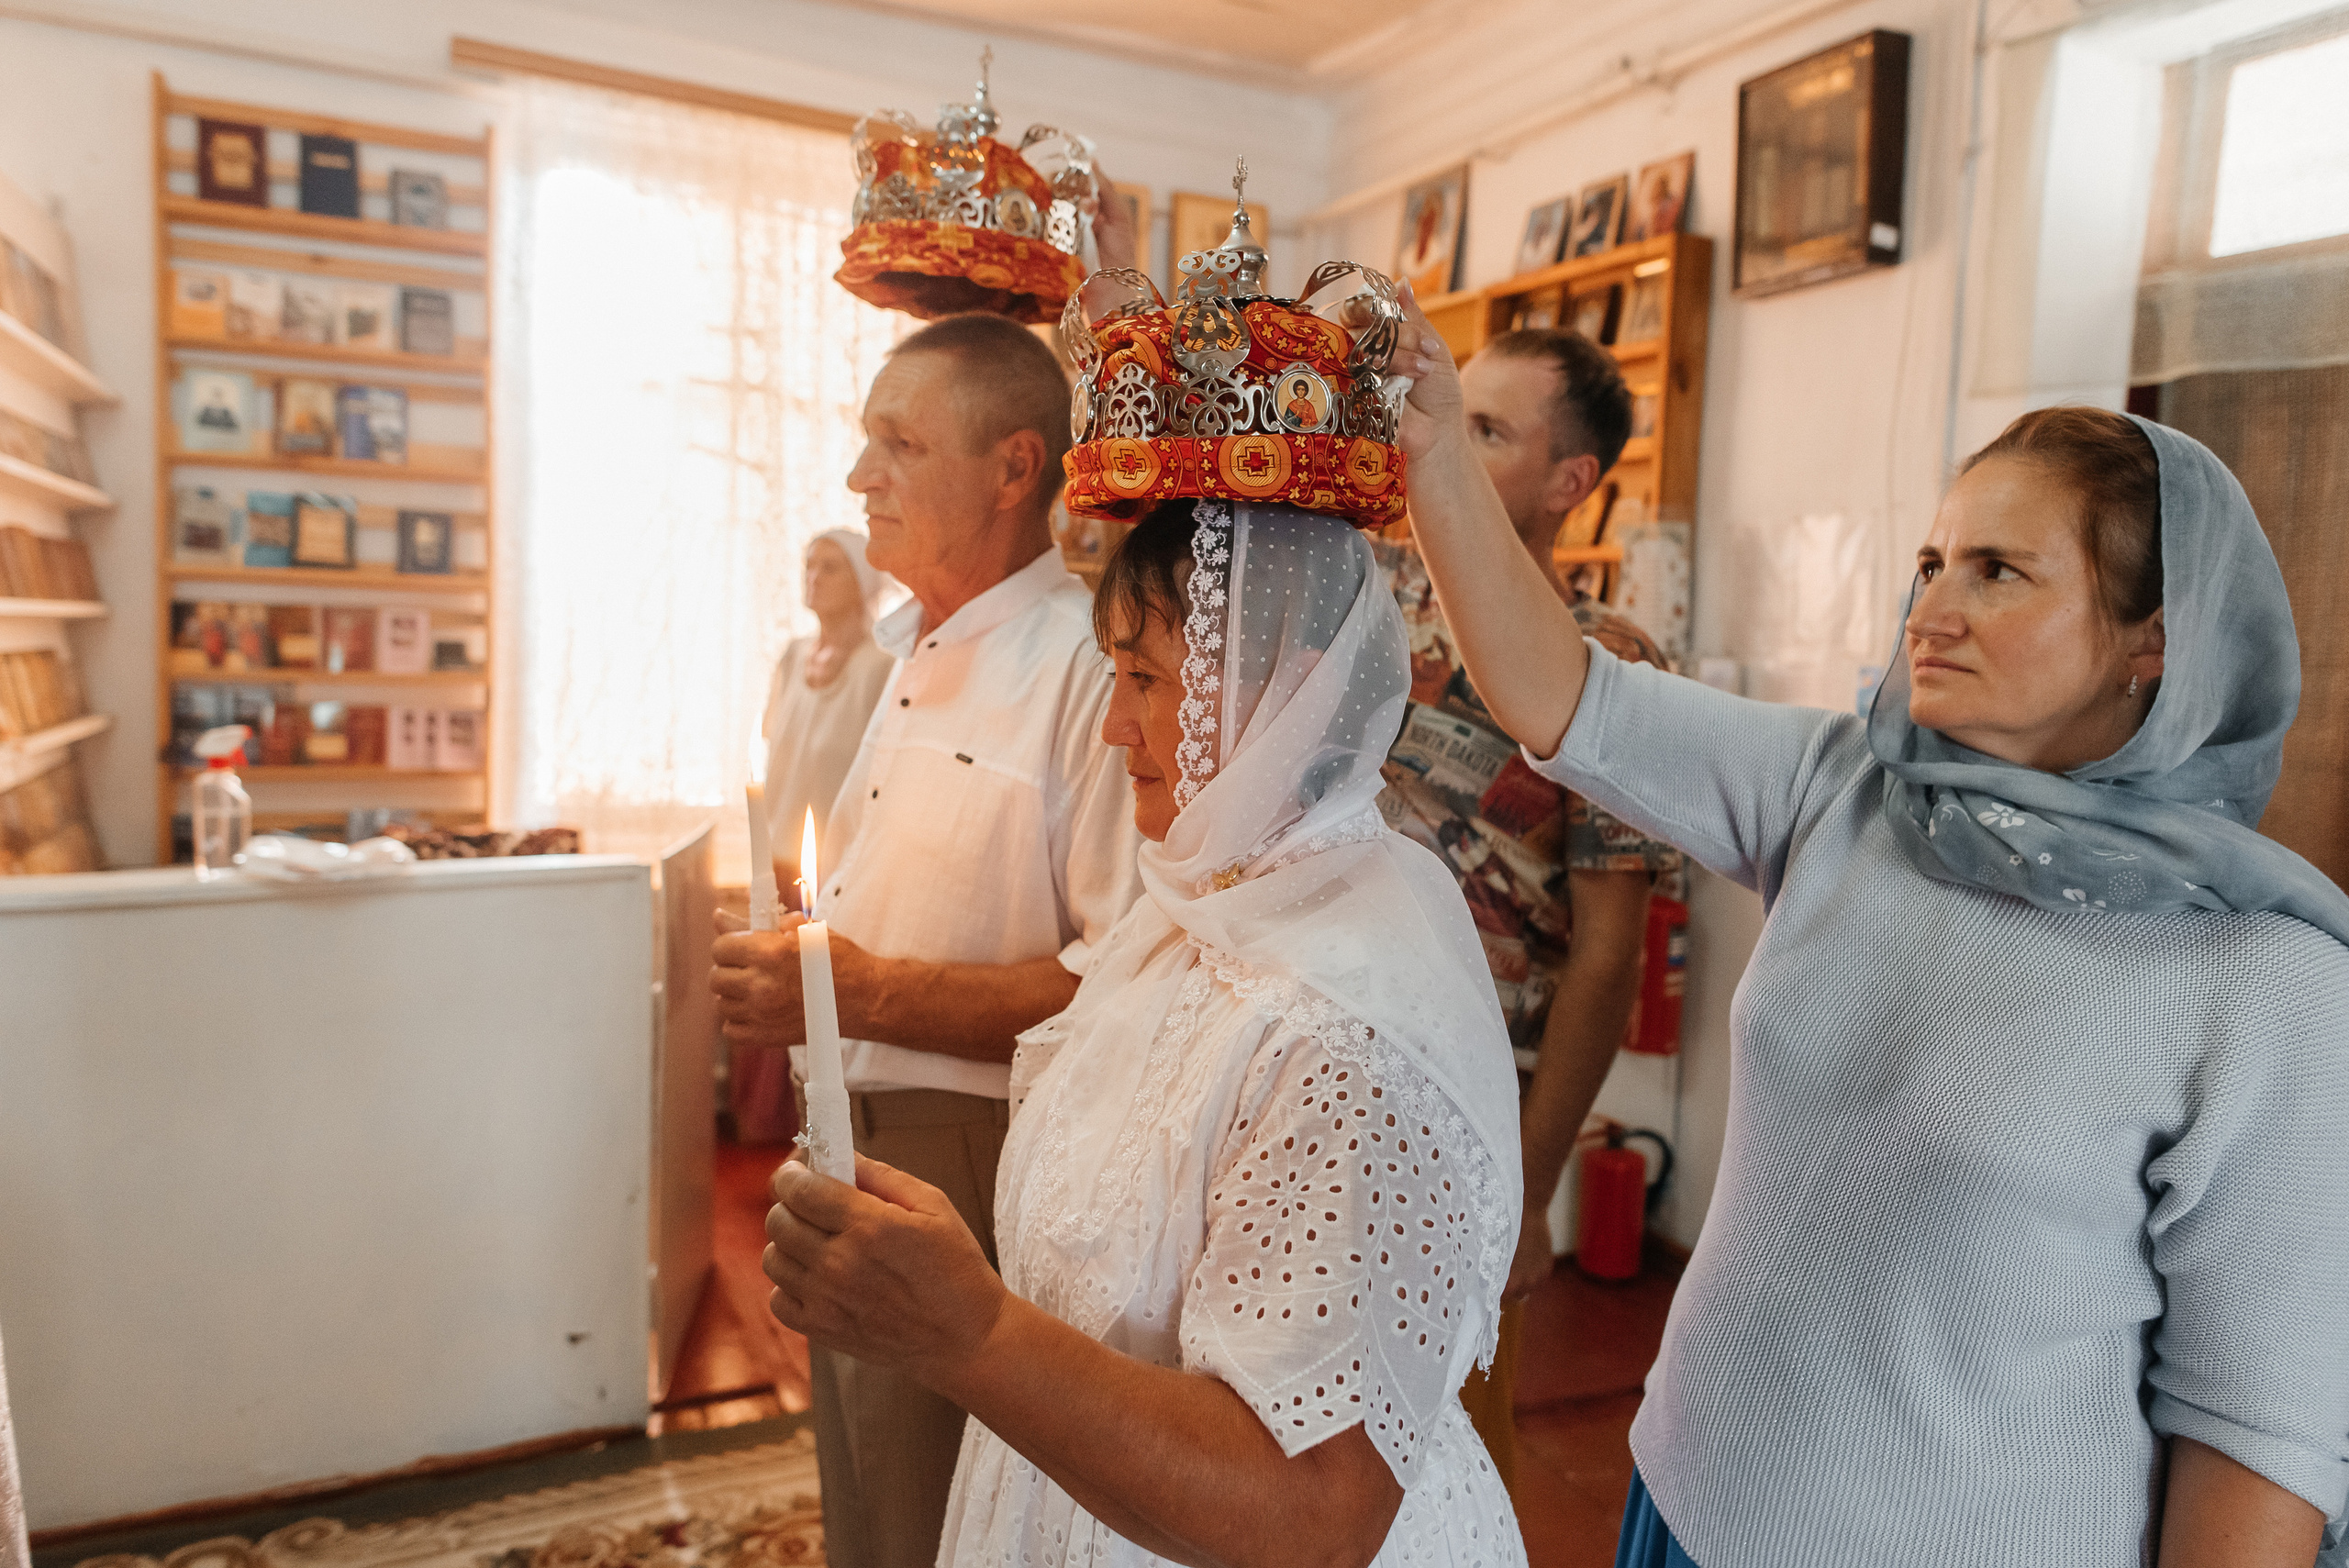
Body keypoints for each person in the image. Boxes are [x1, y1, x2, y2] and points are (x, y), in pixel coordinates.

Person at [1387, 287, 2349, 1568]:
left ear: (2151, 646)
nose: (1932, 612)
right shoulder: (1854, 793)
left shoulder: (2262, 984)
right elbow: (1570, 698)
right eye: (1931, 564)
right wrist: (1440, 451)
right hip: (1692, 1493)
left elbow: (2257, 1446)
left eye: (2000, 571)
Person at [762, 497, 1527, 1567]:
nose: (1113, 725)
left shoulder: (1345, 1034)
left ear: (1284, 692)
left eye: (1146, 680)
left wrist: (970, 1330)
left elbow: (1315, 1510)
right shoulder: (1193, 907)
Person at [710, 312, 1143, 1568]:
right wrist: (804, 966)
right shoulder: (908, 649)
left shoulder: (1082, 667)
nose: (860, 479)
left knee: (937, 1516)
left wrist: (861, 991)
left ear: (1015, 469)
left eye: (897, 443)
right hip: (851, 1128)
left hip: (971, 1150)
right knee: (864, 1491)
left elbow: (1113, 982)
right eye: (863, 442)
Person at [1374, 328, 1679, 1496]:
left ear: (1570, 483)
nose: (1440, 434)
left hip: (1462, 1109)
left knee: (1434, 1455)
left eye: (1487, 428)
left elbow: (1608, 958)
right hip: (1308, 1053)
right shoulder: (1360, 584)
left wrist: (1533, 1186)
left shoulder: (1609, 665)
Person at [730, 528, 896, 1146]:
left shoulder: (881, 664)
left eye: (830, 566)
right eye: (808, 564)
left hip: (837, 861)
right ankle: (766, 1131)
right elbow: (773, 743)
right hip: (773, 853)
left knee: (817, 992)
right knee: (768, 981)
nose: (814, 576)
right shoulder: (792, 655)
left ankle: (819, 1130)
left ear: (861, 580)